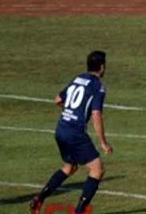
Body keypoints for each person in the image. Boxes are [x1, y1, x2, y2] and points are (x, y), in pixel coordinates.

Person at [30, 51, 112, 214]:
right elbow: (96, 114)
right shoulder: (98, 87)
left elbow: (58, 100)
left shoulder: (77, 78)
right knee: (97, 169)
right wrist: (103, 142)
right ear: (102, 67)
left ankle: (39, 198)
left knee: (69, 167)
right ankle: (79, 211)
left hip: (61, 128)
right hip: (75, 133)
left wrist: (72, 111)